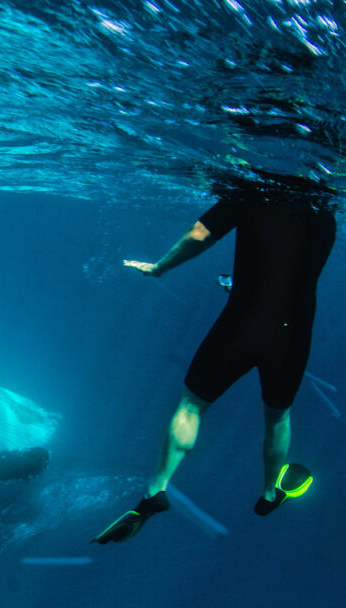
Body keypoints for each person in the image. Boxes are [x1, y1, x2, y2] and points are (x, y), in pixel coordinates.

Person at [94, 176, 337, 544]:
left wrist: (159, 267)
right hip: (291, 334)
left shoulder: (251, 191)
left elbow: (198, 235)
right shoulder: (324, 210)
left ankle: (155, 491)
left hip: (239, 324)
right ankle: (269, 495)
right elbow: (289, 266)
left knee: (191, 406)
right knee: (277, 418)